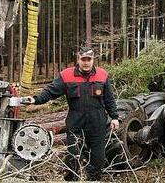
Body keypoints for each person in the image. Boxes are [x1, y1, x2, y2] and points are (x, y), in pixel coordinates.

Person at [19, 47, 119, 181]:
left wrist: (114, 117)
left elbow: (109, 99)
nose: (86, 63)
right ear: (78, 60)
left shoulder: (102, 75)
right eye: (83, 59)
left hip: (97, 123)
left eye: (88, 59)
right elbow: (50, 91)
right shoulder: (66, 75)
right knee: (73, 156)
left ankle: (93, 179)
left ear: (93, 60)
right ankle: (72, 179)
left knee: (98, 157)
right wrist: (35, 99)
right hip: (76, 123)